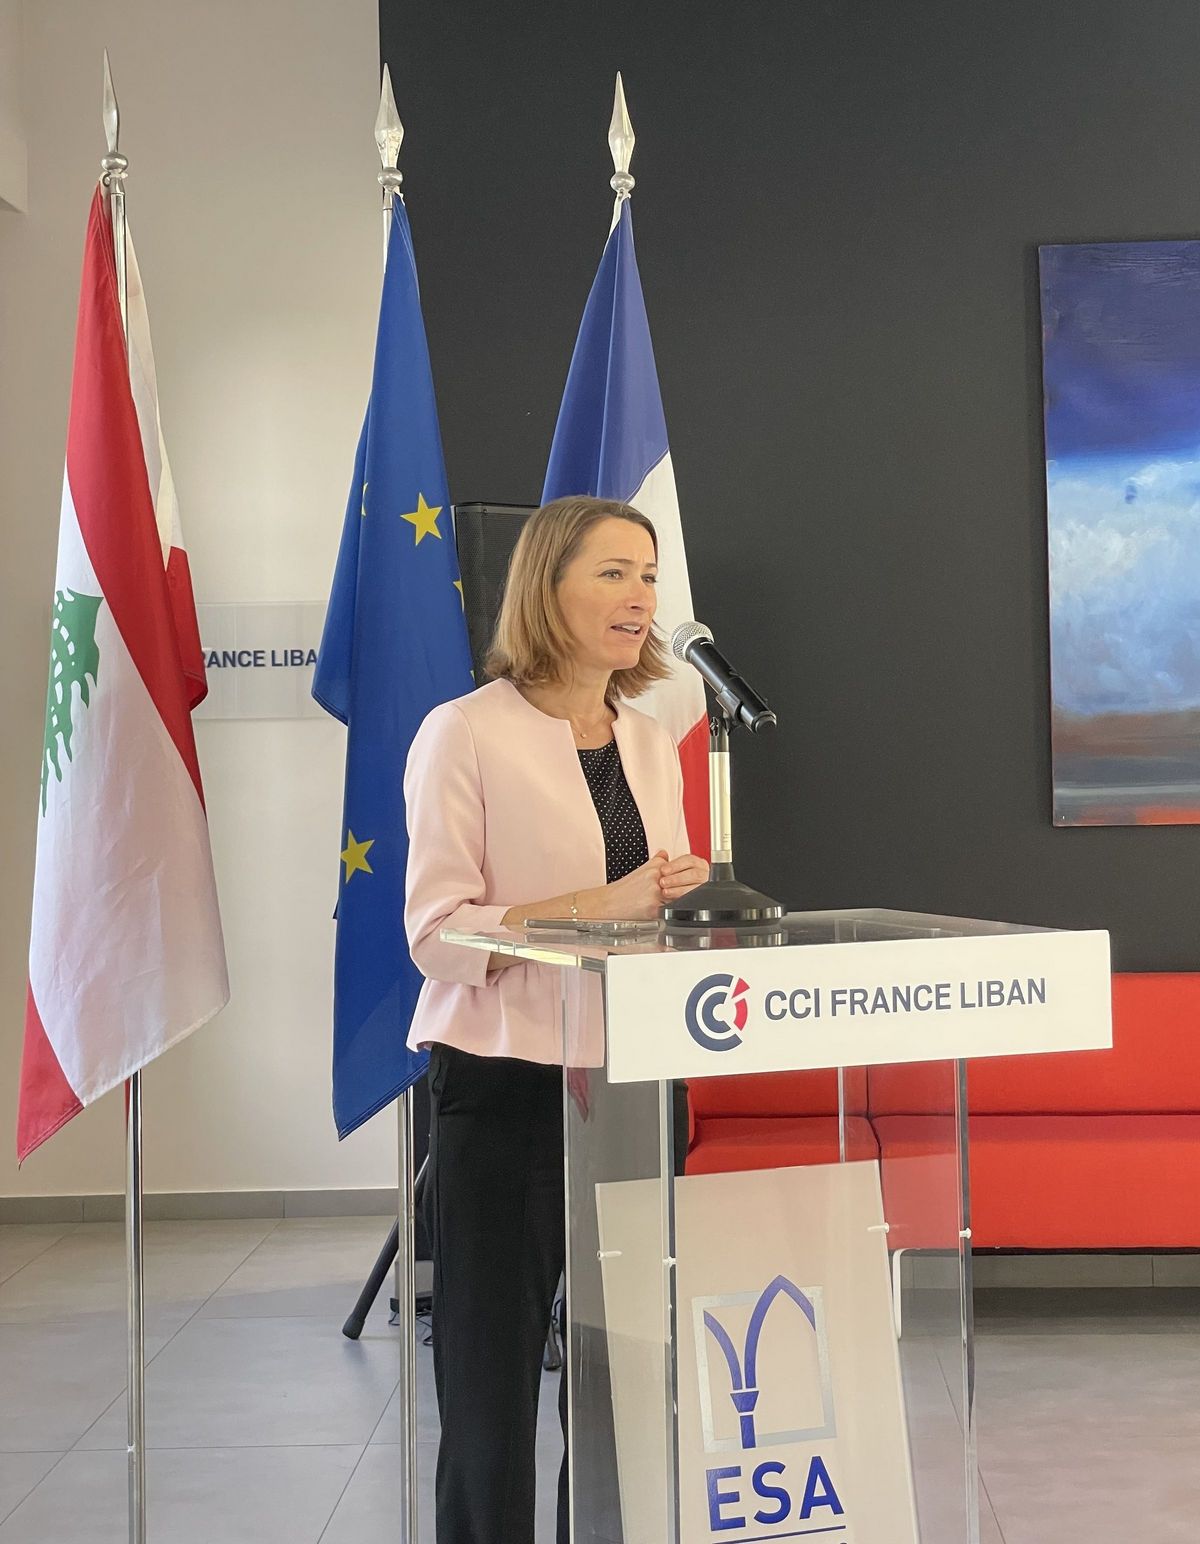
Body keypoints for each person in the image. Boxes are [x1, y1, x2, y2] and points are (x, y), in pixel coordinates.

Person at [403, 495, 709, 1544]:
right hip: (505, 1085)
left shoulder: (651, 739)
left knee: (624, 1372)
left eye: (649, 576)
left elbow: (648, 907)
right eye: (613, 573)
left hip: (633, 1082)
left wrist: (683, 906)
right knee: (491, 1382)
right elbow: (438, 933)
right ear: (548, 586)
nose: (641, 597)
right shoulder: (464, 732)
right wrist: (604, 904)